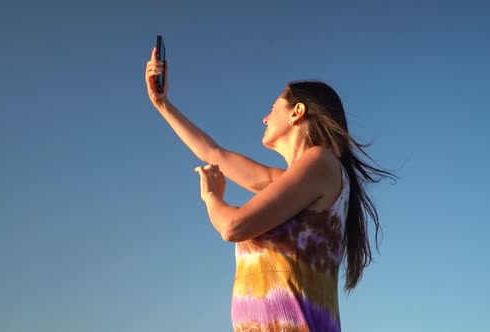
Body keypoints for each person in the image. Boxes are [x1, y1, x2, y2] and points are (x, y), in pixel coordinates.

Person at [145, 47, 396, 332]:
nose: (265, 118)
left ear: (297, 112)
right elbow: (212, 152)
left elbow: (233, 227)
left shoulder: (321, 162)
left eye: (273, 108)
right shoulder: (301, 179)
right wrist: (162, 103)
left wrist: (212, 197)